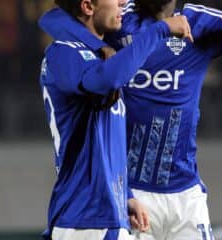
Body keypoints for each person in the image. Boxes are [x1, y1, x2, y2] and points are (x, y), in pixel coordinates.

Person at [107, 0, 222, 239]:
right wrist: (97, 46)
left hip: (186, 197)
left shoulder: (197, 21)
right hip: (131, 194)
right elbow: (64, 21)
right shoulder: (118, 18)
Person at [38, 0, 193, 239]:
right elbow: (104, 80)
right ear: (88, 7)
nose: (123, 1)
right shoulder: (64, 52)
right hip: (86, 219)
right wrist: (160, 30)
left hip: (101, 216)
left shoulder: (96, 56)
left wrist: (126, 195)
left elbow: (107, 145)